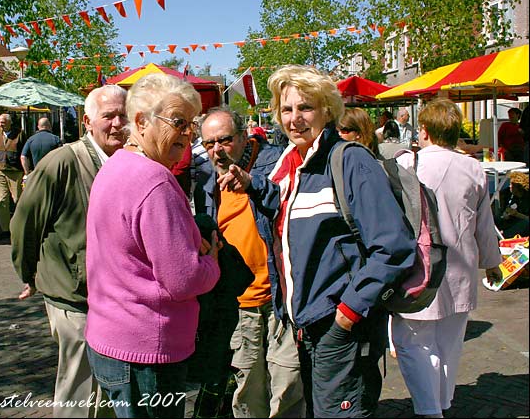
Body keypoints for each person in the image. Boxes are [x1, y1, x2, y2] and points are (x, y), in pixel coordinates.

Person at [217, 64, 417, 417]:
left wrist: (347, 314)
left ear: (327, 109)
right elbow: (288, 207)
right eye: (287, 109)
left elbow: (393, 247)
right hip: (304, 327)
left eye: (305, 107)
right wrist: (252, 185)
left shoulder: (350, 161)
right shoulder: (290, 164)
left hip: (339, 328)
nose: (295, 118)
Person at [84, 73, 221, 419]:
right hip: (146, 352)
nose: (188, 133)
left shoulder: (115, 166)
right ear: (142, 121)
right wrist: (212, 261)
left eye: (191, 124)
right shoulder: (154, 180)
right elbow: (183, 280)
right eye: (178, 122)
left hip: (110, 340)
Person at [10, 84, 129, 418]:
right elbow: (24, 223)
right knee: (80, 389)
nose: (118, 123)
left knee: (109, 387)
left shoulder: (128, 160)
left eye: (124, 115)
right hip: (74, 297)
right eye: (109, 116)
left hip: (112, 297)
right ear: (88, 122)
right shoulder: (62, 162)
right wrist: (27, 273)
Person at [391, 97, 502, 419]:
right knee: (449, 343)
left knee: (413, 341)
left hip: (421, 268)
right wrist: (492, 263)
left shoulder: (409, 164)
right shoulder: (473, 167)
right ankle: (441, 401)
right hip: (461, 268)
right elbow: (485, 224)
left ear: (423, 130)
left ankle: (430, 408)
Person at [197, 107, 305, 418]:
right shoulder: (206, 178)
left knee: (286, 384)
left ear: (244, 137)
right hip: (240, 304)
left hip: (279, 300)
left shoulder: (277, 164)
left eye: (225, 140)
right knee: (247, 388)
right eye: (209, 143)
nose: (217, 149)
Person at [0, 113, 26, 239]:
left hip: (15, 171)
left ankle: (18, 227)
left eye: (3, 122)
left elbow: (24, 152)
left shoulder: (19, 134)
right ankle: (5, 229)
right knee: (2, 200)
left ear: (10, 122)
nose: (0, 124)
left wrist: (24, 170)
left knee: (17, 199)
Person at [496, 171, 529, 238]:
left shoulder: (527, 199)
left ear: (518, 186)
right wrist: (506, 214)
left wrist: (517, 214)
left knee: (524, 223)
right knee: (496, 219)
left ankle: (502, 237)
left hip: (524, 225)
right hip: (512, 221)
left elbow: (527, 219)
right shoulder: (511, 195)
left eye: (511, 184)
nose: (509, 186)